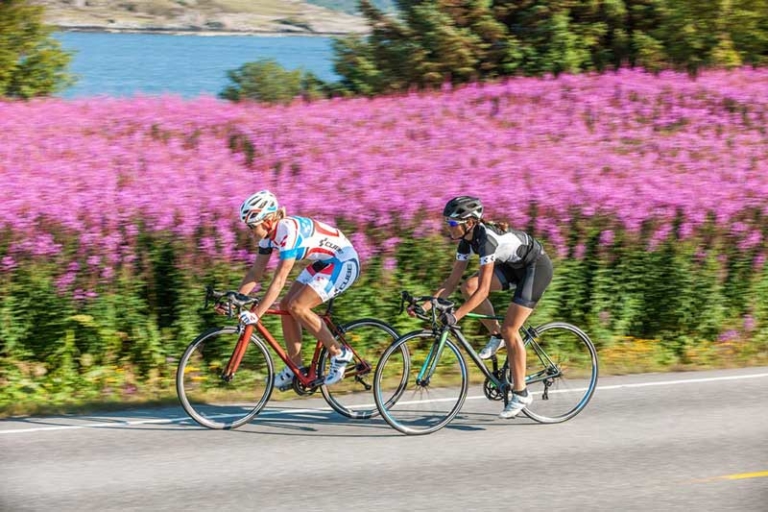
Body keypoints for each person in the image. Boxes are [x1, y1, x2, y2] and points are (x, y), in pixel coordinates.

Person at [414, 196, 553, 419]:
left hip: (535, 268)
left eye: (452, 223)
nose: (448, 227)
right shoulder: (466, 241)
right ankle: (495, 335)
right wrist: (426, 304)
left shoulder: (486, 240)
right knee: (467, 286)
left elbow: (483, 291)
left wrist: (456, 316)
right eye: (447, 222)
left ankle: (521, 393)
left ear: (469, 222)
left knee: (511, 329)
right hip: (513, 266)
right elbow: (451, 284)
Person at [222, 190, 360, 389]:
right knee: (286, 305)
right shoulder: (268, 237)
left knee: (298, 306)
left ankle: (339, 353)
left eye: (252, 227)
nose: (250, 232)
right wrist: (235, 298)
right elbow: (255, 273)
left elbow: (279, 280)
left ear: (268, 221)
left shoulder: (288, 232)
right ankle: (296, 368)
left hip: (343, 262)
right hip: (324, 263)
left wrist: (256, 314)